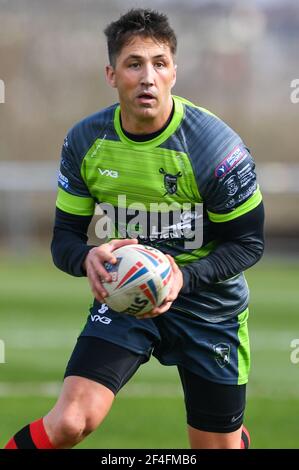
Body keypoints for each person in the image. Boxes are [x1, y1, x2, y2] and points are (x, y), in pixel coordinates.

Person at [5, 8, 263, 449]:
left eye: (159, 64)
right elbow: (63, 238)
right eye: (134, 64)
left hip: (210, 308)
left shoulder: (215, 148)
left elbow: (249, 242)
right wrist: (85, 257)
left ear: (174, 73)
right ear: (111, 74)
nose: (148, 77)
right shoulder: (86, 141)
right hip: (126, 300)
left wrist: (184, 276)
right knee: (68, 422)